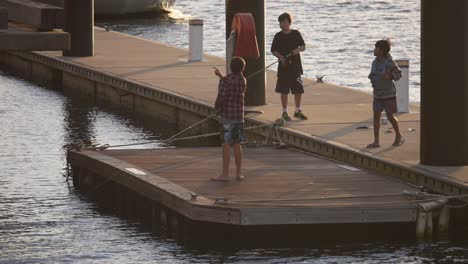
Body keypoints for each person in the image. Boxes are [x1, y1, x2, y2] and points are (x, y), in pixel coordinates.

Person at [212, 56, 247, 181]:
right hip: (238, 116)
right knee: (237, 144)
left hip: (227, 116)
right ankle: (238, 173)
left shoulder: (225, 81)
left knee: (226, 144)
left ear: (231, 67)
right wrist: (221, 76)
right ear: (242, 69)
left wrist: (216, 107)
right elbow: (233, 85)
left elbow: (221, 96)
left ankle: (225, 174)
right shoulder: (243, 80)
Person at [367, 39, 404, 148]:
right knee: (376, 116)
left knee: (390, 116)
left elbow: (399, 74)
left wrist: (390, 76)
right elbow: (373, 74)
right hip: (377, 94)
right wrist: (371, 77)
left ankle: (398, 136)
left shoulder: (390, 63)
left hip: (389, 94)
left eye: (376, 48)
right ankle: (376, 141)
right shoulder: (374, 62)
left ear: (381, 50)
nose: (374, 50)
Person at [271, 12, 307, 121]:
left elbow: (303, 46)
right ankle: (285, 112)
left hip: (295, 66)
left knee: (298, 89)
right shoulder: (278, 36)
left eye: (284, 22)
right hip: (283, 67)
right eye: (280, 23)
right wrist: (280, 57)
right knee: (284, 90)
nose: (282, 25)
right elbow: (273, 50)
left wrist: (298, 49)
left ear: (289, 23)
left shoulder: (296, 33)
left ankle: (297, 111)